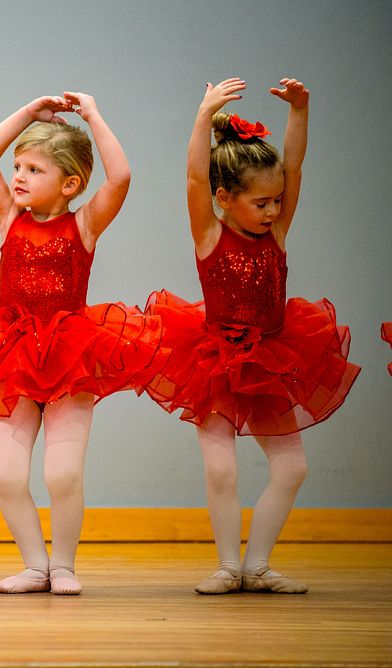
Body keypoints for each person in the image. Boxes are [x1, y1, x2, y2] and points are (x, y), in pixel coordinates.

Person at [0, 95, 161, 595]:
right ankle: (35, 565)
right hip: (10, 353)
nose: (18, 176)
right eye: (17, 166)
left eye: (33, 169)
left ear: (70, 184)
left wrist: (95, 116)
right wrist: (26, 114)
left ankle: (63, 566)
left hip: (68, 355)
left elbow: (119, 178)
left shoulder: (83, 225)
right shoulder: (7, 217)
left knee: (62, 475)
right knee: (7, 475)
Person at [145, 78, 360, 594]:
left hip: (269, 357)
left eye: (277, 201)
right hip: (215, 359)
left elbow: (296, 164)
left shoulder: (277, 234)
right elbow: (196, 178)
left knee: (292, 467)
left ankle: (256, 565)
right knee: (221, 470)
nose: (271, 211)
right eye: (261, 202)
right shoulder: (210, 235)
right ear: (225, 198)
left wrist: (301, 111)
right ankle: (225, 565)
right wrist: (202, 115)